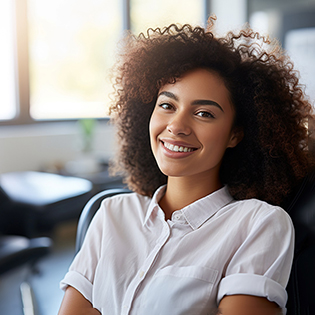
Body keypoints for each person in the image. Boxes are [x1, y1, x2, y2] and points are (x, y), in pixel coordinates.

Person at [58, 17, 315, 315]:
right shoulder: (112, 214)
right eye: (167, 105)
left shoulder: (258, 224)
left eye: (204, 113)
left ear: (235, 134)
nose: (176, 126)